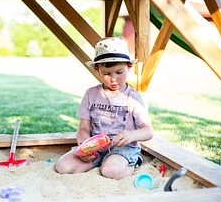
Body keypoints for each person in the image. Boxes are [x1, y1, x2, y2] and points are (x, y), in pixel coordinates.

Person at [54, 37, 153, 180]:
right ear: (97, 70)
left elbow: (148, 131)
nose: (113, 79)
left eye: (119, 72)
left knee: (110, 171)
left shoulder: (133, 98)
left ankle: (133, 162)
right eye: (106, 73)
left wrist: (132, 135)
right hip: (96, 148)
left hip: (122, 148)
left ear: (128, 67)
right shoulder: (91, 94)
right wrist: (85, 147)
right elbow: (83, 128)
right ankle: (100, 161)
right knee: (63, 166)